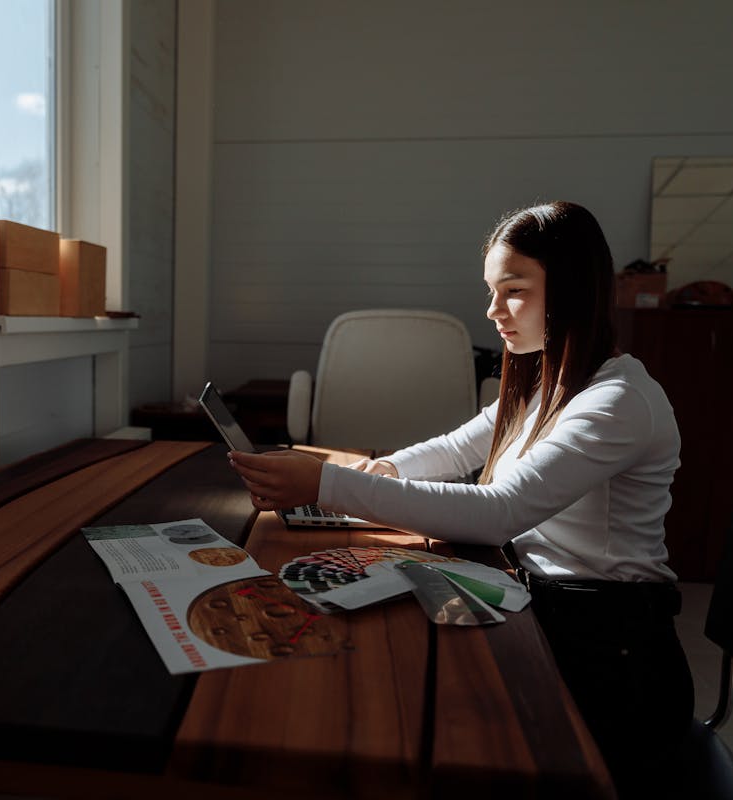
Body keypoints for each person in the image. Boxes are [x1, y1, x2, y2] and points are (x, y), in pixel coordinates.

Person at [228, 201, 693, 797]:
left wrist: (325, 484)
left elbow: (500, 511)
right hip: (544, 600)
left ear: (574, 287)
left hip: (608, 649)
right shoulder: (547, 380)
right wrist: (384, 469)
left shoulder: (618, 400)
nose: (494, 311)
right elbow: (455, 448)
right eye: (491, 291)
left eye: (514, 290)